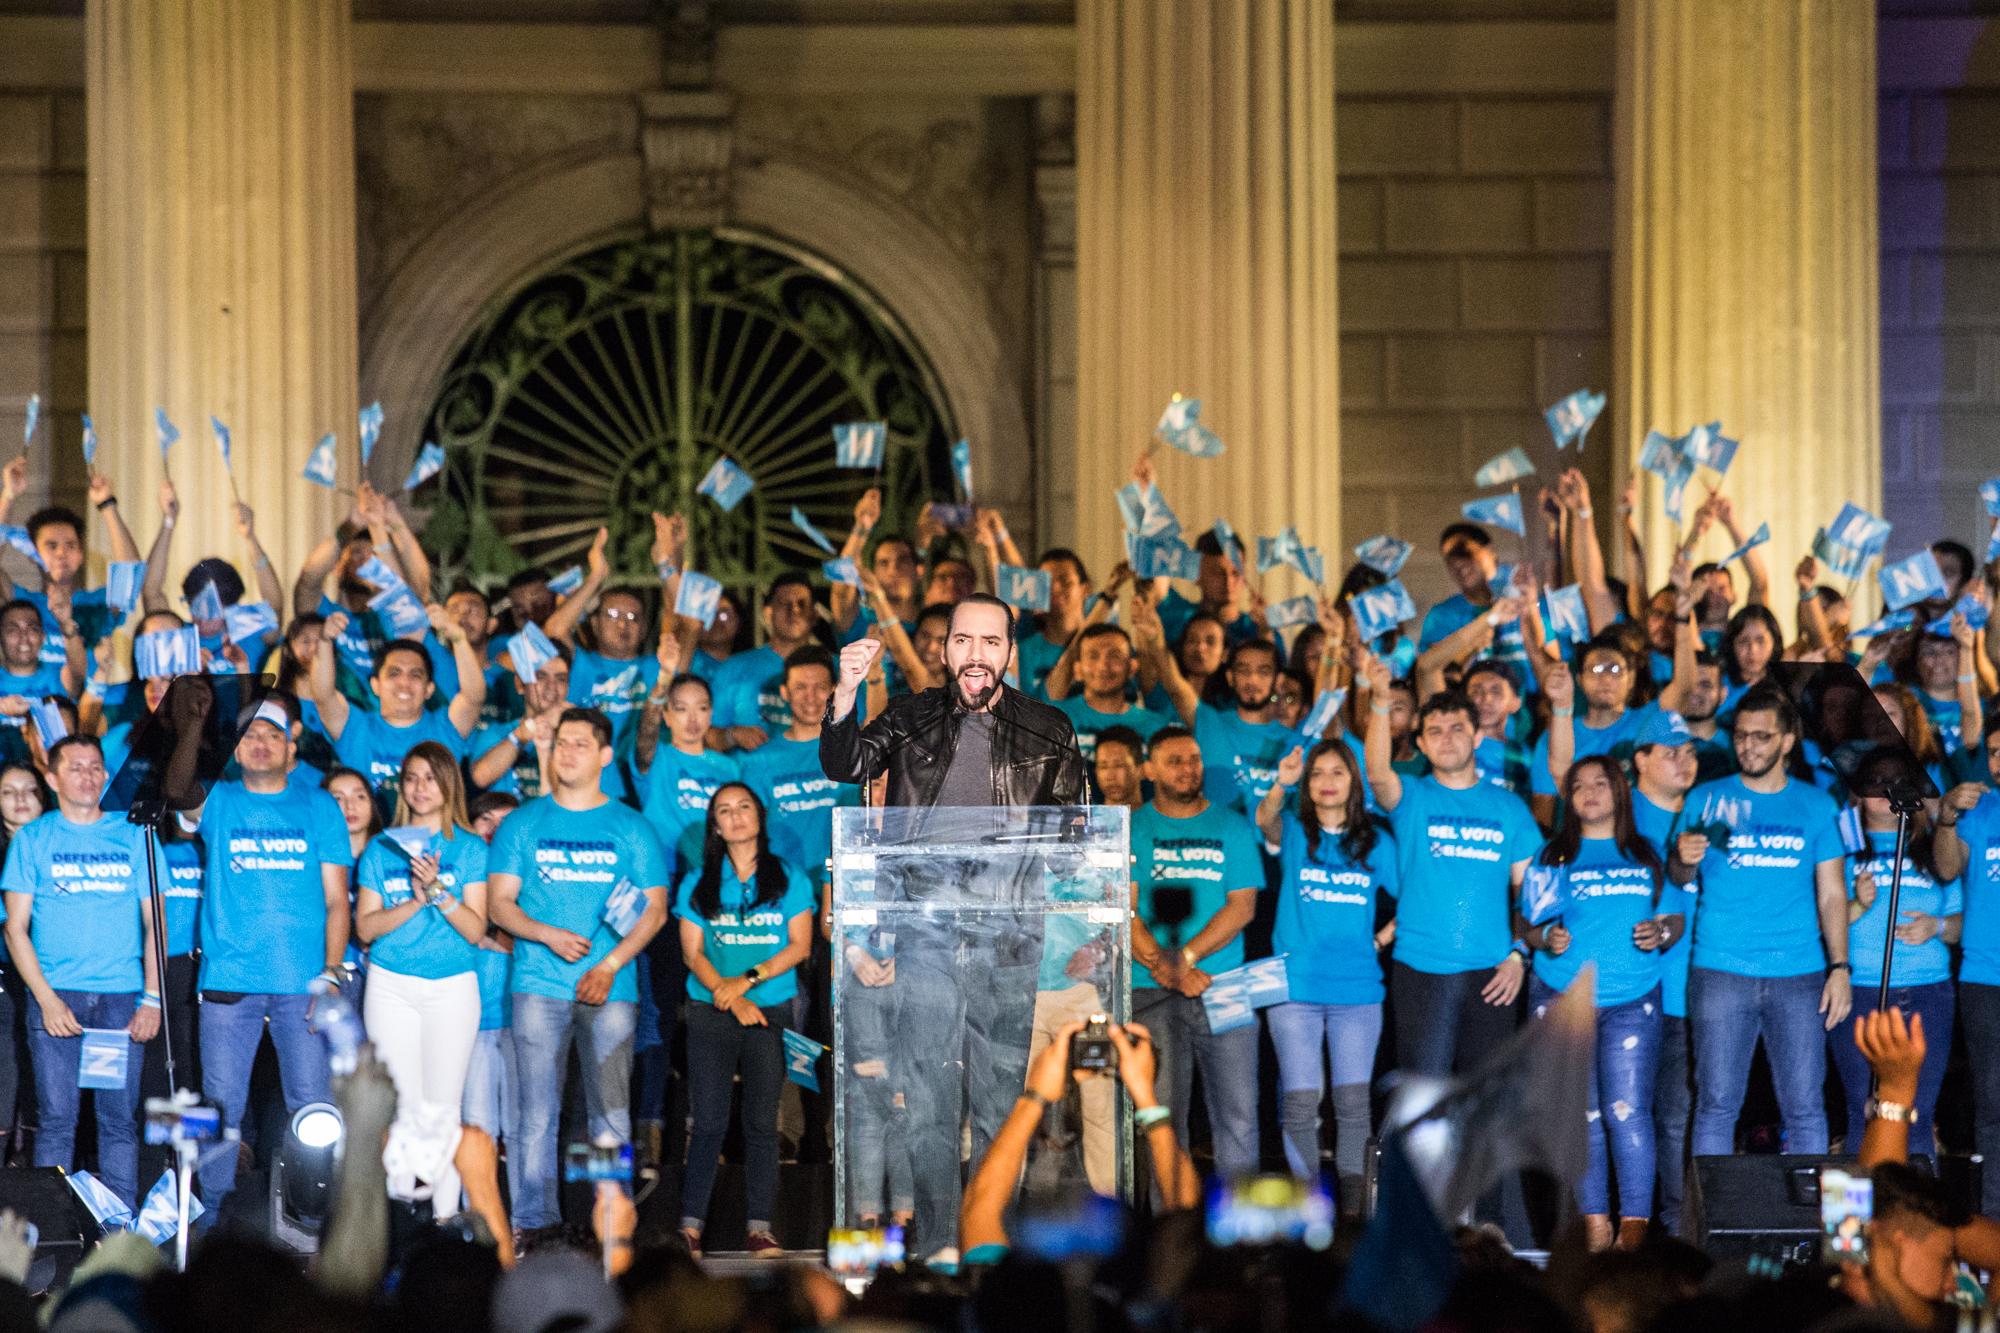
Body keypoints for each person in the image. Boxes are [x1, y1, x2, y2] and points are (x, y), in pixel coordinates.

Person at [819, 592, 1085, 1262]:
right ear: (944, 650)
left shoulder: (1049, 726)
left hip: (1011, 934)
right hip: (927, 929)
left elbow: (1076, 833)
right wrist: (846, 691)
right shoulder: (908, 717)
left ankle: (990, 1238)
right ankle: (938, 1241)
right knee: (932, 1098)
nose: (975, 655)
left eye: (989, 642)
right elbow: (845, 764)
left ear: (1009, 652)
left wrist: (1042, 863)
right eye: (962, 640)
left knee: (1000, 1097)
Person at [486, 706, 670, 1241]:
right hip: (538, 985)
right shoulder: (523, 822)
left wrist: (610, 965)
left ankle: (609, 1221)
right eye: (561, 742)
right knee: (535, 1114)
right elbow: (500, 904)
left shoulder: (631, 825)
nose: (567, 752)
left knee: (609, 1113)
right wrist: (547, 934)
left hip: (612, 988)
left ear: (605, 756)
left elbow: (655, 910)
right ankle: (534, 1223)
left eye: (579, 744)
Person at [180, 697, 352, 1215]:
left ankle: (312, 1216)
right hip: (230, 980)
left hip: (304, 984)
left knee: (312, 1105)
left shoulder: (319, 805)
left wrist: (332, 974)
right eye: (249, 735)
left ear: (290, 746)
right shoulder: (220, 800)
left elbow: (337, 898)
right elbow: (178, 790)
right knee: (219, 1104)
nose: (259, 743)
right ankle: (212, 1215)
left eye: (271, 735)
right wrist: (191, 727)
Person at [1518, 756, 1681, 1250]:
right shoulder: (1553, 858)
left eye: (1601, 783)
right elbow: (1525, 926)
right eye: (1579, 786)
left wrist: (1661, 932)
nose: (1589, 792)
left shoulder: (1646, 854)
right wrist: (1545, 936)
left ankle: (1633, 1230)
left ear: (1620, 792)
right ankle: (1594, 1224)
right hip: (1563, 998)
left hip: (1632, 1000)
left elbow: (1674, 921)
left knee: (1628, 1111)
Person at [1683, 685, 1851, 1157]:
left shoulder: (1817, 805)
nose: (1748, 747)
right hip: (1721, 967)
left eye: (1761, 736)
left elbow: (1833, 893)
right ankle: (1708, 1227)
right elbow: (1679, 877)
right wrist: (1682, 858)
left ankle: (1807, 1226)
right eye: (1740, 736)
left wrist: (1840, 967)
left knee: (1804, 1107)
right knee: (1716, 1104)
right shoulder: (1705, 799)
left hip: (1798, 971)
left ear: (1787, 742)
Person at [0, 735, 164, 1209]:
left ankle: (116, 1229)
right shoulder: (33, 839)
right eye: (76, 767)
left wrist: (151, 997)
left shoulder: (135, 833)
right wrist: (48, 1001)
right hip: (59, 997)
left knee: (117, 1119)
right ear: (51, 779)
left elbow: (157, 924)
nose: (89, 776)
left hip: (119, 999)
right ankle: (54, 1230)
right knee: (56, 1120)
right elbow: (15, 931)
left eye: (96, 767)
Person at [1360, 656, 1537, 1079]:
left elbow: (1531, 894)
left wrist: (1519, 956)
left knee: (1484, 1102)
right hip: (1421, 968)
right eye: (1434, 731)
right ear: (1420, 744)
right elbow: (1377, 771)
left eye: (1457, 728)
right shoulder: (1411, 798)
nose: (1446, 739)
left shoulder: (1510, 808)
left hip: (1493, 973)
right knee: (1425, 1098)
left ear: (1477, 736)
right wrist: (1381, 703)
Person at [673, 783, 815, 1258]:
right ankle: (689, 1229)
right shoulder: (698, 881)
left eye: (744, 807)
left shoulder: (789, 876)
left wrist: (747, 982)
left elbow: (800, 946)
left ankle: (760, 1228)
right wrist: (729, 997)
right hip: (711, 1010)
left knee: (760, 1123)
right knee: (708, 1122)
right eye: (724, 811)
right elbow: (692, 953)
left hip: (769, 1009)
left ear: (760, 816)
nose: (735, 817)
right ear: (715, 825)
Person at [1255, 738, 1396, 1208]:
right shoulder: (1294, 829)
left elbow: (1414, 898)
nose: (1327, 782)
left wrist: (1379, 940)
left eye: (1337, 772)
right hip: (1294, 990)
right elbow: (1264, 821)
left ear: (1354, 780)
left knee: (1353, 1105)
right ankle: (1305, 1209)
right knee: (1299, 1103)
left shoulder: (1376, 840)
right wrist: (1282, 782)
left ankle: (1354, 1213)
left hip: (1358, 992)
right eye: (1318, 774)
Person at [354, 742, 490, 1220]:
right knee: (404, 1108)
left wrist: (437, 890)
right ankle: (401, 1223)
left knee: (442, 1108)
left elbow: (476, 930)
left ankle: (446, 1220)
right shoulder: (381, 846)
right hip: (390, 986)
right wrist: (414, 900)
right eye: (411, 777)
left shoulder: (470, 848)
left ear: (448, 784)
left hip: (451, 987)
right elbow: (365, 928)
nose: (420, 787)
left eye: (431, 778)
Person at [1127, 728, 1263, 1184]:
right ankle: (1174, 1238)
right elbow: (1122, 913)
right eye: (1174, 761)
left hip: (1224, 985)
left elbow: (1242, 906)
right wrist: (1167, 969)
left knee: (1240, 1117)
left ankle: (1241, 1240)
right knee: (1162, 1120)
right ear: (1149, 770)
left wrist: (1183, 958)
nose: (1188, 769)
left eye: (1193, 759)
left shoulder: (1232, 825)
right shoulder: (1132, 828)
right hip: (1150, 990)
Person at [1619, 704, 1702, 1235]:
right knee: (1624, 1118)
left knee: (1679, 1122)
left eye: (1690, 752)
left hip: (1696, 997)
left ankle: (1674, 1235)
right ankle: (1622, 1231)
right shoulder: (1618, 819)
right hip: (1630, 996)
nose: (1684, 762)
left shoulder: (1708, 812)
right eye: (1670, 752)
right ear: (1640, 760)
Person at [313, 612, 484, 816]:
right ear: (375, 685)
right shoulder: (356, 727)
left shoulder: (444, 727)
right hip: (370, 843)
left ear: (429, 689)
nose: (404, 683)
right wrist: (324, 642)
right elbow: (323, 696)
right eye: (394, 673)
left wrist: (459, 639)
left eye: (415, 674)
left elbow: (473, 697)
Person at [1930, 719, 2000, 1209]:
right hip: (1985, 977)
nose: (1998, 762)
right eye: (1993, 752)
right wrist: (1948, 816)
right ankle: (1996, 1222)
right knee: (1992, 1107)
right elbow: (1947, 868)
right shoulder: (1980, 810)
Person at [710, 572, 822, 750]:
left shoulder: (839, 668)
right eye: (785, 604)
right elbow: (701, 736)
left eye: (802, 604)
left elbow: (864, 725)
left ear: (815, 614)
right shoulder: (734, 668)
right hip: (752, 774)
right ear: (767, 613)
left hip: (821, 776)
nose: (794, 610)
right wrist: (731, 736)